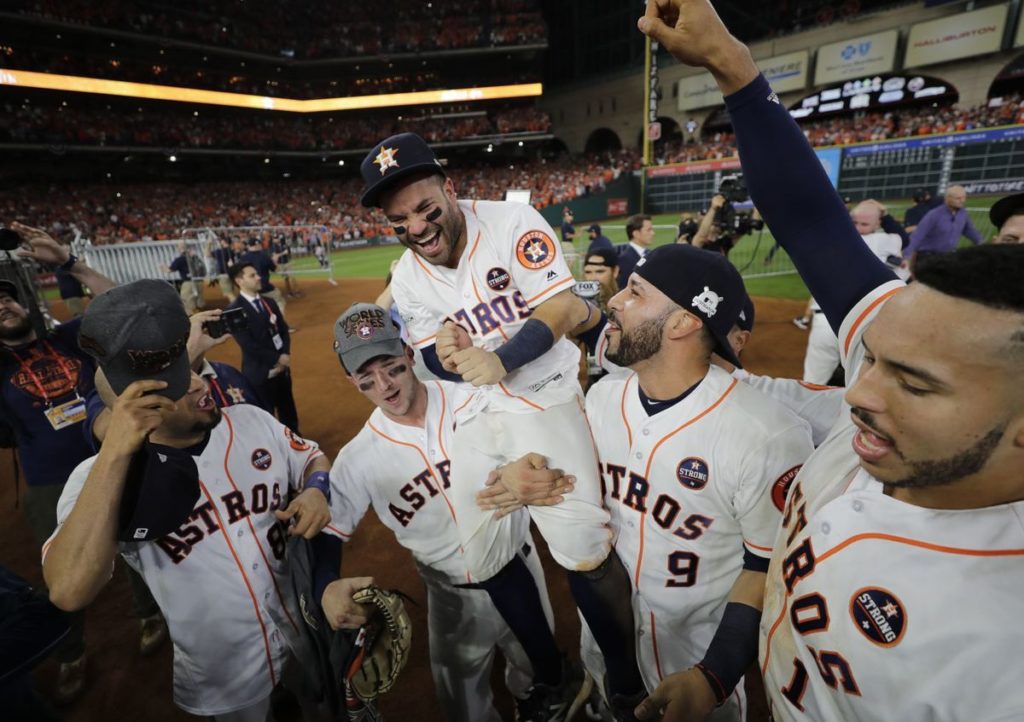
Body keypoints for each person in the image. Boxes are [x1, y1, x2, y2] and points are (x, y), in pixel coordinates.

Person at [637, 3, 1024, 721]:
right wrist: (731, 63)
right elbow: (812, 221)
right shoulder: (934, 353)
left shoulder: (1006, 659)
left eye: (911, 383)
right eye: (871, 358)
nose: (857, 393)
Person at [360, 132, 647, 721]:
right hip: (474, 414)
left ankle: (625, 684)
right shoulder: (409, 277)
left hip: (544, 397)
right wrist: (444, 352)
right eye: (399, 220)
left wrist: (500, 359)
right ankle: (553, 674)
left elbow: (565, 308)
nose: (416, 228)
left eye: (425, 209)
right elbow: (435, 359)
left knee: (584, 551)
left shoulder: (512, 222)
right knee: (482, 554)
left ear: (451, 189)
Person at [489, 244, 814, 722]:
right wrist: (517, 474)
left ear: (684, 322)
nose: (614, 301)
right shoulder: (603, 396)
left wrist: (714, 675)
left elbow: (766, 570)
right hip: (602, 639)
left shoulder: (766, 434)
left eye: (635, 292)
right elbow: (560, 480)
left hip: (693, 667)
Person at [42, 279, 333, 722]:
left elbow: (312, 457)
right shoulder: (100, 479)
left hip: (304, 632)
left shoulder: (251, 421)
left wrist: (316, 489)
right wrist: (117, 452)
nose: (201, 385)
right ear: (142, 408)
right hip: (224, 673)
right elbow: (69, 589)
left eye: (195, 371)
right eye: (181, 384)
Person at [323, 302, 568, 722]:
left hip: (521, 568)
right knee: (463, 706)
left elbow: (545, 447)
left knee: (543, 684)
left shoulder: (475, 397)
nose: (384, 385)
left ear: (408, 353)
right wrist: (327, 585)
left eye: (391, 368)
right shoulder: (357, 459)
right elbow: (328, 533)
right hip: (451, 597)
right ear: (351, 381)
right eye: (366, 379)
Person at [0, 222, 164, 704]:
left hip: (110, 457)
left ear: (25, 300)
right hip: (49, 482)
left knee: (136, 541)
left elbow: (123, 302)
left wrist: (68, 262)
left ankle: (149, 611)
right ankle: (70, 651)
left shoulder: (70, 338)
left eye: (7, 296)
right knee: (64, 569)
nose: (3, 304)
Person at [227, 262, 300, 433]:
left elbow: (283, 330)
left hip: (282, 370)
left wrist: (285, 354)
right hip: (259, 373)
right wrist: (277, 359)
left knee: (288, 410)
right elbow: (247, 344)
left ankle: (296, 443)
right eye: (252, 275)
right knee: (265, 415)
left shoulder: (269, 302)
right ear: (239, 281)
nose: (259, 277)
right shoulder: (234, 310)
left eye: (257, 274)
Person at [904, 185, 983, 259]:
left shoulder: (963, 213)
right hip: (928, 257)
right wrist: (906, 256)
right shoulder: (934, 214)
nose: (962, 201)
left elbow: (969, 230)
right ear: (947, 198)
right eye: (958, 198)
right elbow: (917, 235)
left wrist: (983, 245)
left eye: (964, 198)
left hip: (948, 256)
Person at [238, 237, 289, 319]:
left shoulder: (243, 257)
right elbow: (275, 269)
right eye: (259, 244)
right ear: (257, 245)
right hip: (264, 285)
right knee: (279, 300)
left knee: (256, 307)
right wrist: (275, 260)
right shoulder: (264, 256)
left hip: (249, 287)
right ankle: (278, 324)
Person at [162, 242, 206, 315]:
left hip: (188, 284)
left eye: (178, 247)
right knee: (199, 305)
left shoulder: (180, 259)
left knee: (187, 306)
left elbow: (169, 270)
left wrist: (163, 267)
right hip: (199, 282)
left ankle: (193, 323)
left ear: (180, 248)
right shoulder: (195, 257)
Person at [616, 214, 654, 290]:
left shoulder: (651, 254)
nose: (653, 233)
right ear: (636, 234)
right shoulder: (624, 260)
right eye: (649, 230)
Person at [581, 248, 620, 313]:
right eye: (588, 272)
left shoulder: (628, 305)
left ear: (615, 271)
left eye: (600, 271)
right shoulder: (577, 307)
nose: (593, 279)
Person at [209, 237, 238, 303]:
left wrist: (209, 244)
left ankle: (237, 307)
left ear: (223, 242)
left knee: (229, 294)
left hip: (224, 275)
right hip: (231, 273)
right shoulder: (231, 250)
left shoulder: (220, 251)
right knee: (232, 292)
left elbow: (207, 254)